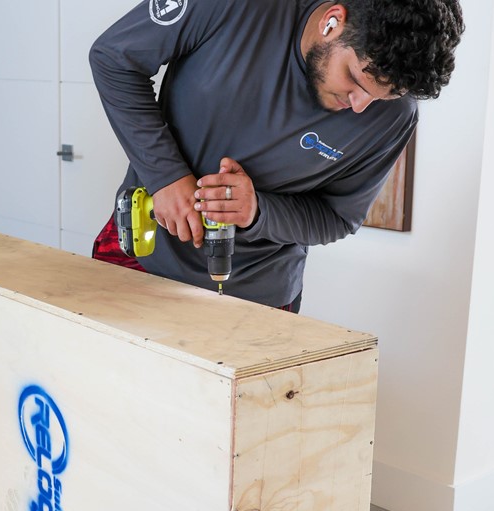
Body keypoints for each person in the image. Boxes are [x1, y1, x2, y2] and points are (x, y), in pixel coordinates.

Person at [89, 0, 463, 312]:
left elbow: (337, 218)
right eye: (354, 79)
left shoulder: (396, 117)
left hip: (259, 299)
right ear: (332, 21)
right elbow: (114, 58)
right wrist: (166, 176)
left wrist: (257, 212)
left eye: (383, 97)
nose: (360, 106)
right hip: (140, 257)